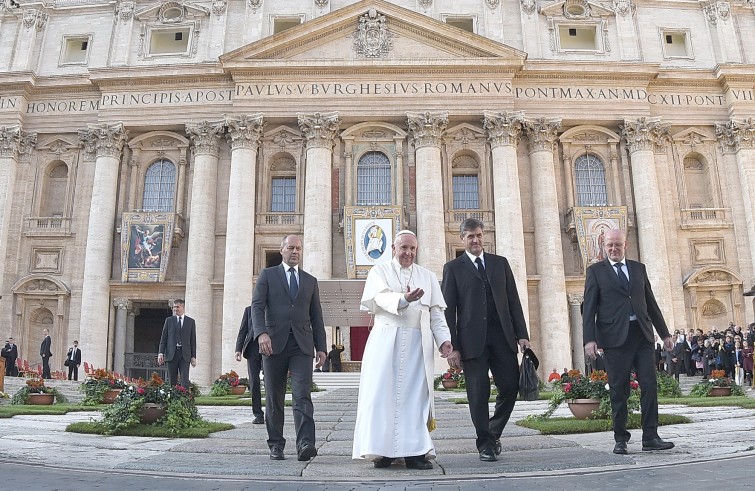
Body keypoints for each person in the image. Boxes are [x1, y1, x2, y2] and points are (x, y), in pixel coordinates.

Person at [353, 230, 453, 470]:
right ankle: (382, 451)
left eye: (412, 248)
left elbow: (436, 314)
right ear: (393, 249)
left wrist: (444, 340)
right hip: (385, 340)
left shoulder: (426, 276)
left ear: (416, 250)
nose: (408, 252)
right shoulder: (379, 271)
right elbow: (379, 300)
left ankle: (415, 452)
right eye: (403, 248)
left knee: (415, 397)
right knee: (381, 395)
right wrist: (404, 299)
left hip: (417, 343)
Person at [442, 218, 531, 462]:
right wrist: (453, 347)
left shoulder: (500, 264)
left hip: (503, 337)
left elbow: (514, 301)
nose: (475, 240)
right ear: (462, 239)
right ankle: (485, 445)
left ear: (484, 236)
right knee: (478, 395)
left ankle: (492, 431)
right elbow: (449, 311)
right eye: (470, 236)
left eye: (479, 235)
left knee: (511, 387)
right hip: (472, 343)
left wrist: (522, 334)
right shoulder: (453, 268)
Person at [582, 228, 674, 455]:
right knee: (618, 390)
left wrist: (664, 334)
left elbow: (650, 303)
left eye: (618, 245)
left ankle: (651, 436)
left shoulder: (638, 269)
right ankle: (620, 438)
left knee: (650, 386)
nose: (614, 249)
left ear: (626, 246)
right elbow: (589, 309)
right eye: (610, 245)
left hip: (641, 335)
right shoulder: (595, 272)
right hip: (615, 339)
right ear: (604, 246)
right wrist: (589, 339)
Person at [252, 235, 326, 462]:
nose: (295, 252)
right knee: (274, 397)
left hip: (302, 345)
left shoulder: (310, 281)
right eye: (291, 248)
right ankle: (276, 444)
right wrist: (261, 333)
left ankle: (305, 443)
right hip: (272, 344)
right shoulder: (267, 275)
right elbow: (257, 306)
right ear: (282, 250)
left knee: (302, 395)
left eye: (299, 249)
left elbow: (317, 316)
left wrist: (321, 347)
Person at [234, 305, 265, 424]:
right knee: (254, 382)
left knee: (270, 382)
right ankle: (258, 414)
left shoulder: (272, 307)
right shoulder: (248, 310)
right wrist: (238, 349)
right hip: (252, 349)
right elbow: (243, 330)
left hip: (269, 349)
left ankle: (273, 414)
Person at [157, 299, 197, 388]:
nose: (175, 309)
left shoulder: (190, 322)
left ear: (182, 307)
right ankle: (173, 400)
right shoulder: (169, 320)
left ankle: (185, 400)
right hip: (172, 354)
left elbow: (192, 340)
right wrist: (161, 353)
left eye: (177, 307)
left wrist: (193, 356)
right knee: (172, 380)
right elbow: (164, 338)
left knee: (184, 380)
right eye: (174, 307)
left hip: (185, 354)